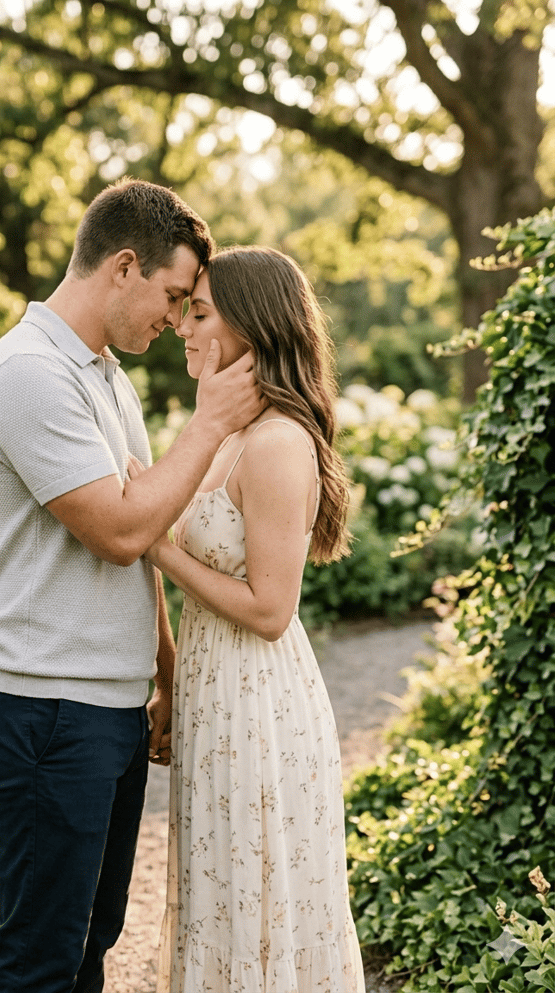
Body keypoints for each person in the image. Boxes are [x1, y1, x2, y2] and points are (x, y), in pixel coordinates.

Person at [0, 179, 265, 993]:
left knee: (92, 937)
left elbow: (145, 544)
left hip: (106, 706)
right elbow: (123, 528)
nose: (175, 320)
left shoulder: (103, 374)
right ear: (123, 266)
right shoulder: (28, 374)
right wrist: (208, 424)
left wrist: (164, 680)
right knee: (41, 954)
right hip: (48, 708)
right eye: (172, 296)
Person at [134, 246, 366, 992]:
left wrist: (159, 550)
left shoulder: (275, 444)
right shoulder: (230, 432)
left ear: (252, 324)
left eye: (199, 312)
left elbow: (271, 610)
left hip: (259, 701)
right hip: (215, 692)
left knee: (256, 893)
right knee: (222, 891)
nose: (184, 327)